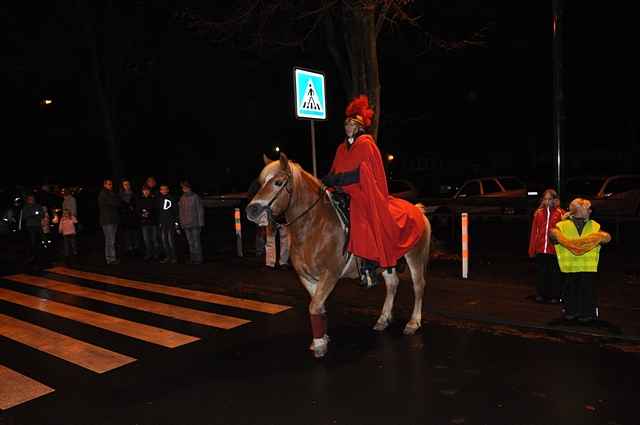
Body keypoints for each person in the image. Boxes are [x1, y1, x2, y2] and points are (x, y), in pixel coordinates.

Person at [321, 95, 425, 288]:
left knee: (362, 218)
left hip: (363, 192)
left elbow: (364, 173)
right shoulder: (341, 148)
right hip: (341, 191)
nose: (347, 127)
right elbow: (335, 170)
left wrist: (340, 179)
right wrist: (328, 180)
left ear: (359, 127)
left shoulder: (366, 144)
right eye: (345, 124)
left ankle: (369, 265)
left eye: (350, 124)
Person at [550, 198, 611, 323]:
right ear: (580, 210)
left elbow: (606, 238)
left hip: (585, 266)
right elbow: (552, 237)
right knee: (573, 290)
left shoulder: (594, 225)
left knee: (584, 290)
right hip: (572, 266)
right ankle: (573, 312)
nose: (590, 211)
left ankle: (584, 313)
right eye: (588, 209)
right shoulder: (562, 226)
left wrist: (604, 237)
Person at [528, 189, 564, 303]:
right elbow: (535, 231)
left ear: (555, 200)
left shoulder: (560, 213)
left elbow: (563, 232)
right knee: (541, 273)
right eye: (545, 199)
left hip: (554, 249)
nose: (547, 201)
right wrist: (532, 248)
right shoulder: (538, 213)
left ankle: (555, 295)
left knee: (554, 273)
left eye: (549, 199)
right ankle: (541, 294)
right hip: (541, 249)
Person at [178, 180, 205, 264]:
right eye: (183, 188)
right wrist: (182, 223)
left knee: (196, 242)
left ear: (189, 188)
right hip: (186, 224)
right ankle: (193, 258)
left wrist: (201, 223)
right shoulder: (182, 198)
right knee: (190, 242)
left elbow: (200, 210)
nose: (185, 189)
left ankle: (199, 259)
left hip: (195, 223)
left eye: (186, 188)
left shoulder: (195, 197)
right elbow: (181, 212)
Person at [98, 179, 121, 265]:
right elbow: (115, 202)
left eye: (111, 184)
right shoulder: (104, 193)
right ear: (104, 185)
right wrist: (116, 199)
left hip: (113, 219)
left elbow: (118, 202)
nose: (110, 186)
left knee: (110, 240)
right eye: (108, 184)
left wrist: (116, 200)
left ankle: (110, 258)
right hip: (107, 220)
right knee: (110, 240)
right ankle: (111, 259)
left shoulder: (110, 193)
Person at [156, 184, 179, 264]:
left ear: (168, 190)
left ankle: (174, 257)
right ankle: (168, 257)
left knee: (170, 240)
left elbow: (176, 211)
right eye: (162, 189)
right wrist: (159, 222)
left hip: (171, 222)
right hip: (163, 223)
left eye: (165, 189)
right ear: (160, 190)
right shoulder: (159, 199)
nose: (163, 190)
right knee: (164, 241)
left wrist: (176, 222)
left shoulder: (172, 198)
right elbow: (159, 212)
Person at [137, 185, 160, 261]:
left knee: (154, 239)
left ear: (149, 191)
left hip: (153, 223)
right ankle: (149, 254)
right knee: (146, 240)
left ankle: (156, 254)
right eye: (144, 190)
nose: (146, 192)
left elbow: (156, 210)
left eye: (147, 190)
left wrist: (149, 213)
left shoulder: (153, 199)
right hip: (144, 223)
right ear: (142, 191)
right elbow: (137, 211)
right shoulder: (140, 199)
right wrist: (142, 214)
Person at [21, 194, 46, 264]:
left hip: (38, 225)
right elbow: (24, 217)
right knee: (32, 241)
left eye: (32, 198)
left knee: (42, 240)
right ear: (27, 200)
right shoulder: (25, 207)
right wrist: (33, 214)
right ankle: (33, 256)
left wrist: (35, 215)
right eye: (29, 199)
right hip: (30, 226)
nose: (31, 200)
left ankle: (42, 255)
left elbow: (42, 215)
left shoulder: (38, 206)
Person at [119, 179, 139, 256]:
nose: (126, 186)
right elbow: (120, 207)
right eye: (125, 184)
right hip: (125, 218)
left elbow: (136, 205)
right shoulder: (120, 195)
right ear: (122, 186)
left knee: (135, 235)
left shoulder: (134, 194)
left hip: (134, 218)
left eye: (128, 184)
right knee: (127, 235)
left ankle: (136, 249)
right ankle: (129, 250)